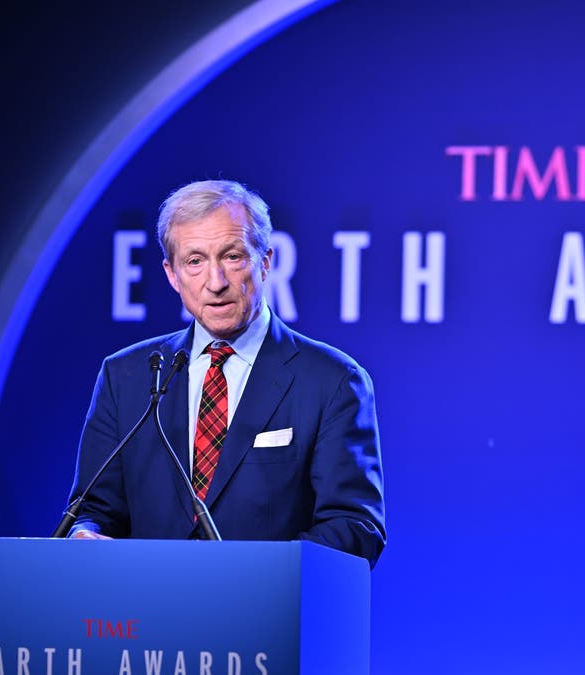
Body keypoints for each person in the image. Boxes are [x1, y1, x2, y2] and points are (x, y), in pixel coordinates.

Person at [65, 179, 386, 567]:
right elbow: (94, 509)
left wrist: (246, 581)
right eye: (195, 261)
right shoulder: (127, 376)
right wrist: (83, 535)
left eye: (232, 257)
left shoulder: (332, 381)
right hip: (147, 617)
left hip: (268, 619)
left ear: (265, 260)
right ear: (172, 274)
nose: (215, 283)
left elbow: (353, 528)